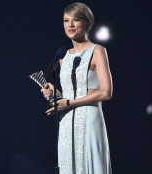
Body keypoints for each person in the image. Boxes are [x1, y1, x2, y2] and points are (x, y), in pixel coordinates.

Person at [41, 2, 113, 174]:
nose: (70, 25)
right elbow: (69, 94)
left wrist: (69, 102)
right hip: (66, 122)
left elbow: (106, 92)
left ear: (87, 24)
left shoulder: (97, 51)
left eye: (76, 20)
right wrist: (54, 93)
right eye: (66, 21)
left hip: (89, 119)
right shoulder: (63, 57)